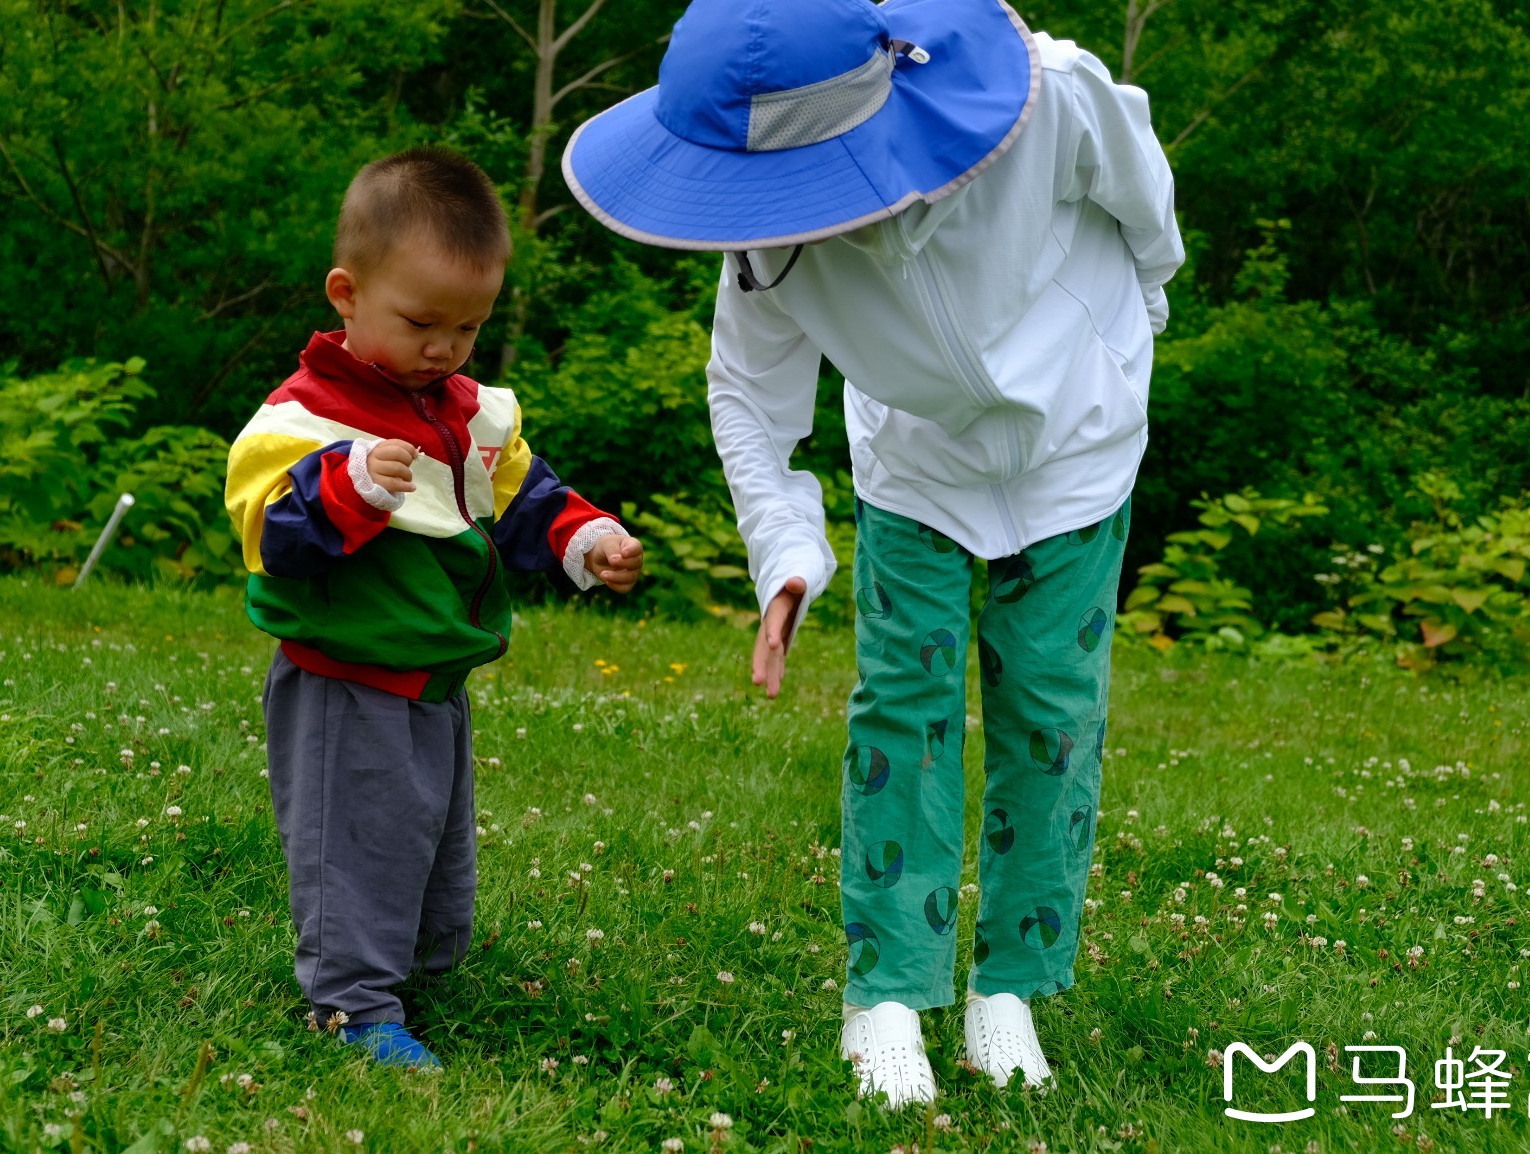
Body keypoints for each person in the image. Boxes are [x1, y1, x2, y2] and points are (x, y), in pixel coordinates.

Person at [562, 0, 1182, 1108]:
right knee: (903, 704)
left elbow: (1144, 210)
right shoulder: (764, 233)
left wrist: (1129, 329)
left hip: (1080, 443)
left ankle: (1009, 986)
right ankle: (887, 991)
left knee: (1052, 707)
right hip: (914, 464)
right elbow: (746, 397)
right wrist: (786, 553)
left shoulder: (1052, 97)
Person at [224, 147, 645, 1068]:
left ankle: (416, 965)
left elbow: (527, 496)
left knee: (429, 832)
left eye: (468, 327)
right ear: (346, 292)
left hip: (435, 669)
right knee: (359, 834)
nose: (444, 348)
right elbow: (267, 534)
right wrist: (346, 489)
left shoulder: (466, 410)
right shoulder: (304, 417)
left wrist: (591, 539)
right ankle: (351, 1003)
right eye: (421, 323)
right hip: (346, 671)